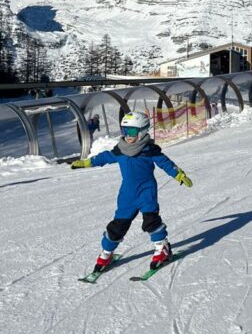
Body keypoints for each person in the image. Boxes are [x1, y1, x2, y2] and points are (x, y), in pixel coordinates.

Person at [70, 110, 192, 276]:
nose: (128, 135)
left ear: (142, 131)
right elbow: (104, 158)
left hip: (146, 191)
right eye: (125, 130)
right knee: (118, 226)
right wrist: (86, 163)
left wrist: (178, 174)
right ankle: (106, 253)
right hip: (127, 194)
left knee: (151, 221)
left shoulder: (149, 150)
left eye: (132, 131)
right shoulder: (120, 150)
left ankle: (162, 248)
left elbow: (166, 163)